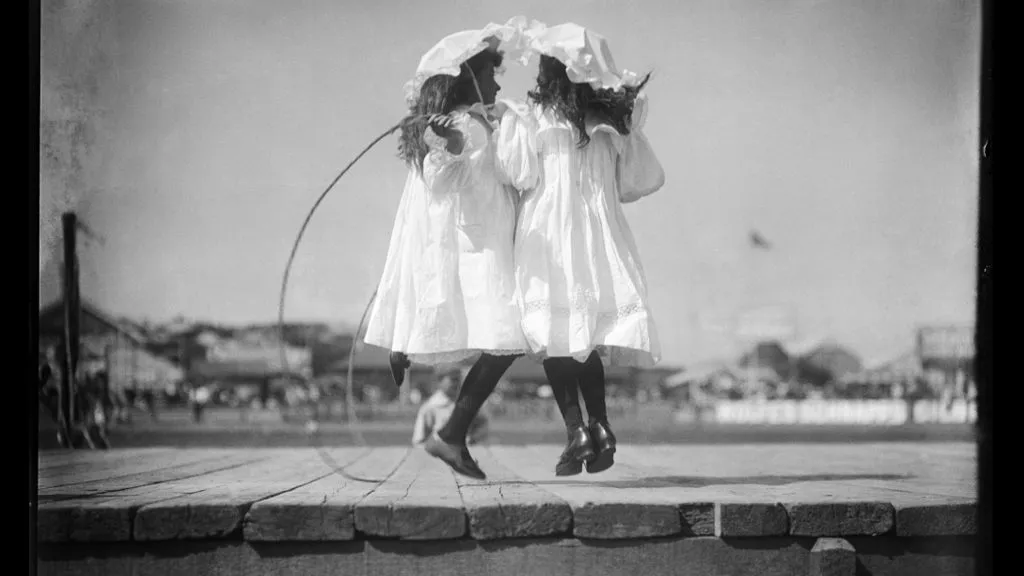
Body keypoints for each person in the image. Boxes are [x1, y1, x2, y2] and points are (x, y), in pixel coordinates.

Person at [362, 19, 533, 480]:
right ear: (469, 77)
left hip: (484, 240)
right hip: (477, 247)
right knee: (505, 339)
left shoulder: (477, 121)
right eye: (492, 73)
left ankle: (450, 427)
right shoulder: (458, 125)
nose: (498, 81)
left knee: (504, 340)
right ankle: (452, 434)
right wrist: (456, 142)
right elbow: (441, 179)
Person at [495, 23, 665, 475]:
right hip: (598, 233)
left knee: (554, 334)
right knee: (583, 336)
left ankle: (577, 431)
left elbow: (517, 174)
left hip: (550, 233)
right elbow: (638, 181)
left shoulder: (533, 117)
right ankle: (602, 424)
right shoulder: (613, 119)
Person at [411, 366, 489, 446]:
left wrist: (473, 439)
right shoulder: (430, 407)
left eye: (459, 379)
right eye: (453, 379)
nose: (457, 383)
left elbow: (483, 424)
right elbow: (419, 440)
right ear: (440, 381)